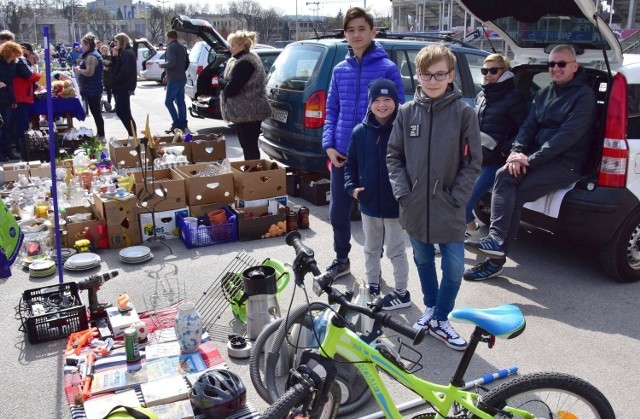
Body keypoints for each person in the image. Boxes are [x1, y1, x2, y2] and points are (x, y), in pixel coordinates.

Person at [464, 44, 597, 277]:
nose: (555, 68)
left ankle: (495, 259)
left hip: (567, 163)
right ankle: (495, 242)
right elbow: (527, 127)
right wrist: (516, 152)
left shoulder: (584, 97)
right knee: (504, 175)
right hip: (538, 158)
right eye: (552, 64)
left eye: (561, 64)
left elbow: (565, 138)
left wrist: (529, 160)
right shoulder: (545, 93)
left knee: (514, 190)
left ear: (574, 67)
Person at [386, 45, 481, 351]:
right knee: (423, 260)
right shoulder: (405, 112)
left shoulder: (464, 113)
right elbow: (394, 156)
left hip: (449, 207)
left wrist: (457, 197)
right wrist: (403, 193)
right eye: (427, 74)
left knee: (453, 267)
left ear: (451, 75)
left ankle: (441, 318)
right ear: (417, 75)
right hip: (414, 207)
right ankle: (430, 309)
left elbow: (473, 162)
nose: (433, 80)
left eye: (440, 74)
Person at [322, 7, 405, 280]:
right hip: (342, 154)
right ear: (345, 34)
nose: (356, 35)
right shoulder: (339, 70)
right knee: (338, 211)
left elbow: (399, 110)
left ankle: (374, 265)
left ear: (373, 32)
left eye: (361, 29)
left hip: (375, 154)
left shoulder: (388, 68)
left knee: (375, 216)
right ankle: (341, 258)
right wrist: (329, 145)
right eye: (350, 30)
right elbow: (331, 109)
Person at [344, 78, 410, 309]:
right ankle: (373, 283)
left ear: (396, 102)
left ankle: (401, 291)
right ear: (370, 103)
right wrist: (352, 189)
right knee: (371, 247)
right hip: (369, 203)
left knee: (396, 250)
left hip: (395, 205)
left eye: (388, 99)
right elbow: (350, 165)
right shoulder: (360, 132)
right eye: (377, 100)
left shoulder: (404, 129)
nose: (382, 105)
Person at [463, 54, 527, 281]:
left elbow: (524, 129)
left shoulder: (514, 98)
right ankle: (471, 227)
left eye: (494, 70)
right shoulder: (482, 95)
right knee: (458, 194)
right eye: (485, 71)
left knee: (466, 198)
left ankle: (465, 232)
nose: (488, 75)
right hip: (478, 157)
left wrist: (505, 150)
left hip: (497, 161)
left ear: (505, 71)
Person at [220, 30, 271, 160]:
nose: (230, 48)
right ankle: (251, 173)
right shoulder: (242, 60)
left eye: (233, 45)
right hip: (246, 111)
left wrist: (222, 83)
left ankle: (253, 175)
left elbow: (232, 88)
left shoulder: (245, 63)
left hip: (249, 111)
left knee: (249, 146)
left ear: (241, 46)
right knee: (247, 145)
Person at [74, 33, 105, 139]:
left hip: (93, 89)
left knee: (96, 112)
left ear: (87, 45)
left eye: (83, 45)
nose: (81, 47)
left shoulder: (92, 56)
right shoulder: (91, 54)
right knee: (96, 112)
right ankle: (100, 134)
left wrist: (79, 70)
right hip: (93, 87)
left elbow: (89, 72)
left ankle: (101, 135)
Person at [13, 43, 41, 160]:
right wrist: (38, 76)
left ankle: (22, 145)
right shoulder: (20, 61)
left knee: (23, 122)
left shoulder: (20, 60)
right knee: (22, 122)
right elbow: (28, 75)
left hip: (23, 95)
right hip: (21, 96)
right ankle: (22, 146)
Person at [159, 30, 188, 134]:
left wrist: (163, 65)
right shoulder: (182, 47)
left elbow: (172, 63)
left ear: (169, 37)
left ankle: (176, 123)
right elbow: (183, 63)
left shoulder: (171, 47)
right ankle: (183, 123)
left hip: (174, 79)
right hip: (181, 78)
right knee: (180, 102)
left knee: (168, 102)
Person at [110, 33, 137, 137]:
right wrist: (114, 57)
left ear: (122, 41)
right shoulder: (124, 53)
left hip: (123, 86)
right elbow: (116, 67)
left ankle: (132, 134)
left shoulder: (127, 53)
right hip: (121, 86)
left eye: (116, 41)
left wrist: (116, 80)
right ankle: (131, 134)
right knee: (121, 111)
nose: (114, 44)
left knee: (124, 112)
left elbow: (124, 71)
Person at [0, 41, 23, 161]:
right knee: (1, 127)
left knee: (7, 127)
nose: (15, 57)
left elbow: (11, 83)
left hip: (7, 98)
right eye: (14, 54)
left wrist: (13, 100)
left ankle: (8, 151)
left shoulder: (12, 64)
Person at [100, 43, 113, 112]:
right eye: (104, 50)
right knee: (100, 92)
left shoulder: (110, 57)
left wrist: (107, 68)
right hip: (101, 77)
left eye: (106, 50)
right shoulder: (100, 57)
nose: (106, 51)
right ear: (101, 51)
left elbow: (113, 67)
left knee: (109, 92)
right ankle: (100, 106)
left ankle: (108, 105)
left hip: (109, 77)